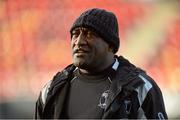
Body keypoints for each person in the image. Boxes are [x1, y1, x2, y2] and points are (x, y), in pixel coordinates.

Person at [35, 8, 168, 119]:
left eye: (89, 34)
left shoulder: (140, 88)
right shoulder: (52, 89)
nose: (79, 41)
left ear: (110, 45)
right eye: (75, 34)